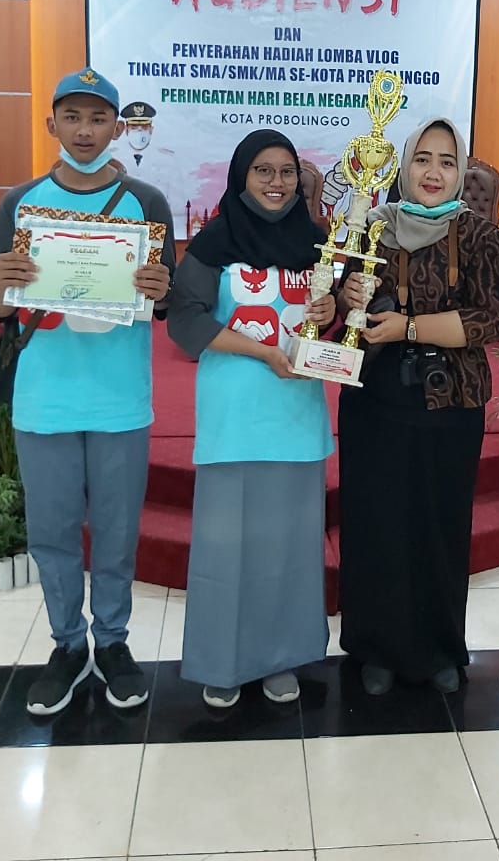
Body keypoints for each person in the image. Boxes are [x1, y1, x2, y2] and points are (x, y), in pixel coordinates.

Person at [0, 67, 176, 716]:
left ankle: (113, 642)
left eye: (99, 119)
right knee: (55, 532)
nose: (86, 131)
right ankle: (68, 645)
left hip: (120, 398)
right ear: (53, 125)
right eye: (74, 117)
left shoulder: (145, 202)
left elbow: (167, 299)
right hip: (45, 399)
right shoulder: (22, 202)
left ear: (118, 128)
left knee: (117, 535)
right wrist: (5, 286)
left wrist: (158, 289)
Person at [337, 118, 499, 696]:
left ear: (461, 171)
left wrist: (407, 326)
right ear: (403, 166)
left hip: (450, 403)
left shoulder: (482, 236)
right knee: (376, 524)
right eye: (421, 159)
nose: (433, 172)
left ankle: (439, 648)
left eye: (445, 161)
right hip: (374, 400)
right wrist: (346, 295)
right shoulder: (366, 228)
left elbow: (490, 319)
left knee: (440, 525)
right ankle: (375, 648)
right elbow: (336, 314)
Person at [167, 130, 335, 708]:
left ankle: (281, 656)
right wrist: (261, 351)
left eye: (286, 171)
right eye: (263, 170)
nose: (276, 182)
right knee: (225, 549)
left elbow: (330, 327)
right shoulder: (214, 242)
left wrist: (333, 310)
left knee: (287, 549)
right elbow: (184, 321)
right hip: (235, 416)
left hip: (296, 416)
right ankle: (223, 660)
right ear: (241, 177)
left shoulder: (317, 243)